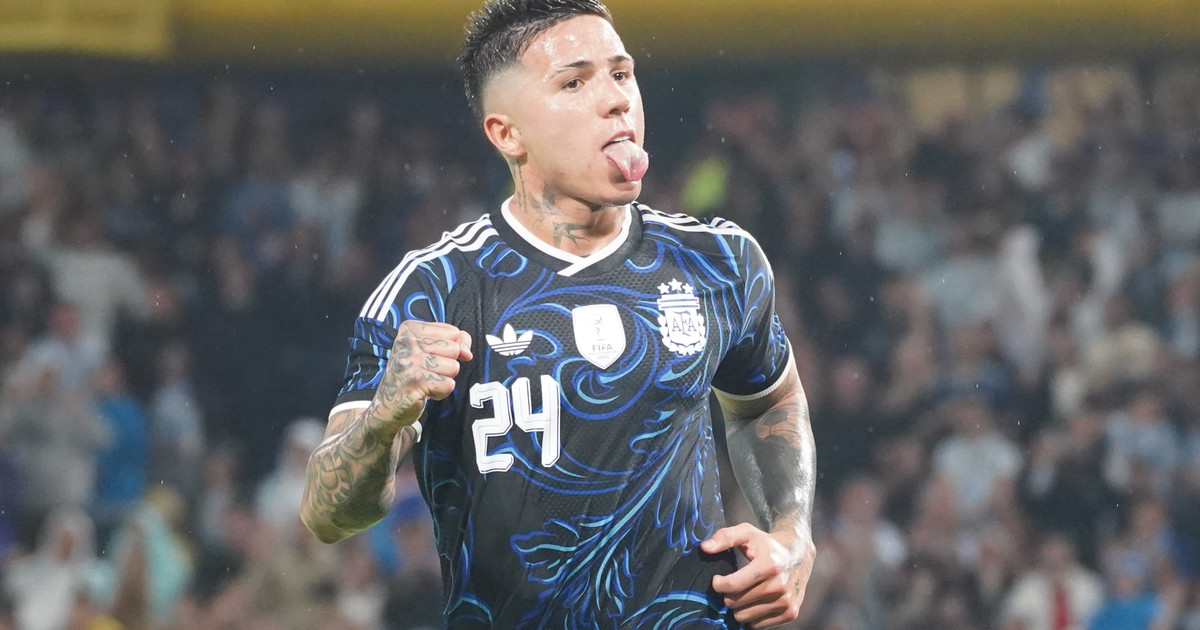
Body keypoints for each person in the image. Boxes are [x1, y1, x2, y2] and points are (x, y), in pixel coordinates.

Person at [299, 1, 817, 627]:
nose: (616, 99)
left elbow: (767, 402)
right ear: (507, 134)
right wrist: (384, 417)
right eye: (574, 83)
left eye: (621, 74)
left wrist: (792, 534)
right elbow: (327, 515)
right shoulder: (431, 292)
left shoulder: (718, 262)